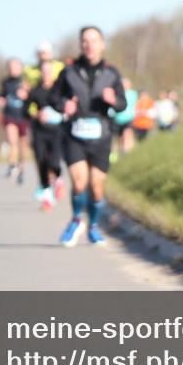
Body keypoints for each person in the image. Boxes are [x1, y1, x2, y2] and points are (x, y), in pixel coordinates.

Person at [51, 26, 127, 247]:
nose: (89, 45)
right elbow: (54, 99)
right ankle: (76, 220)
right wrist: (63, 104)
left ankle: (92, 226)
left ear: (102, 44)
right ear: (81, 45)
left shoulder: (112, 73)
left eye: (93, 40)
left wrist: (113, 100)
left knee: (96, 185)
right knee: (79, 180)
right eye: (85, 41)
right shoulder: (68, 72)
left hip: (101, 136)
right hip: (74, 134)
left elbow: (123, 104)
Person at [27, 60, 66, 211]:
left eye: (48, 71)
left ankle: (59, 180)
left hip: (57, 131)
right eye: (43, 71)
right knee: (42, 162)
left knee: (55, 162)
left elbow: (66, 107)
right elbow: (26, 110)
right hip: (39, 132)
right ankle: (47, 199)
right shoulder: (35, 91)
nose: (46, 74)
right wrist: (37, 114)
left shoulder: (59, 90)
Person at [0, 58, 30, 184]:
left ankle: (22, 169)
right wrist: (0, 99)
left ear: (20, 67)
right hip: (10, 115)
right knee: (12, 140)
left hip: (23, 116)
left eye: (15, 66)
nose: (12, 69)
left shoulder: (26, 81)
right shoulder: (5, 82)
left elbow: (33, 97)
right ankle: (12, 165)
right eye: (10, 67)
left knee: (23, 145)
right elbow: (2, 95)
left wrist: (26, 94)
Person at [108, 78, 139, 156]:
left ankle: (128, 153)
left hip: (129, 118)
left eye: (125, 84)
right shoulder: (117, 93)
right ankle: (117, 153)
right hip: (117, 119)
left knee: (127, 135)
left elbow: (137, 105)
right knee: (118, 138)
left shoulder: (133, 94)